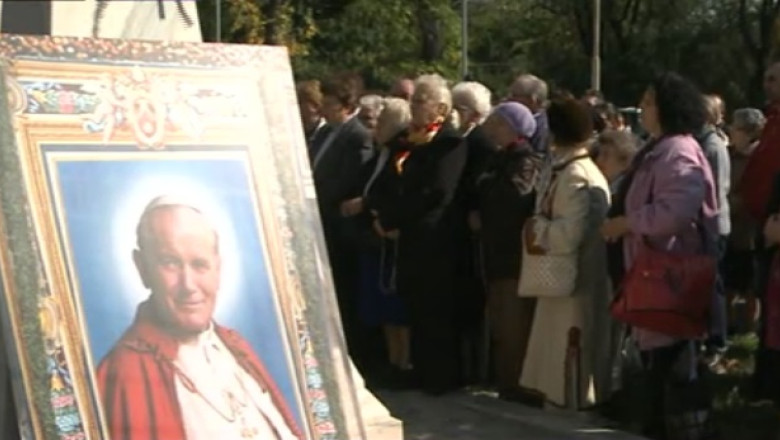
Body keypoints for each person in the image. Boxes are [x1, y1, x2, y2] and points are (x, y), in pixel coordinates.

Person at [96, 196, 302, 440]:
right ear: (142, 268)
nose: (189, 285)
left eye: (200, 264)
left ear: (218, 268)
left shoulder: (235, 347)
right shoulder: (125, 370)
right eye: (170, 263)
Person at [601, 72, 718, 439]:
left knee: (671, 370)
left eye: (650, 101)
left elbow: (675, 212)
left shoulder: (678, 151)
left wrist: (626, 224)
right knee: (657, 367)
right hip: (652, 278)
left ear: (668, 107)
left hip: (669, 279)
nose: (643, 107)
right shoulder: (659, 147)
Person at [374, 74, 468, 395]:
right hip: (408, 238)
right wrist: (384, 216)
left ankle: (439, 376)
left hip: (434, 239)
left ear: (440, 108)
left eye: (420, 101)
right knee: (415, 307)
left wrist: (398, 217)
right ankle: (419, 368)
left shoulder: (450, 143)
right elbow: (389, 182)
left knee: (436, 310)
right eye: (413, 101)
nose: (413, 107)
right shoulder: (408, 141)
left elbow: (436, 192)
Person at [520, 98, 612, 409]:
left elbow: (568, 235)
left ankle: (571, 408)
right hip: (560, 279)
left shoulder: (577, 175)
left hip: (576, 281)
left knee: (568, 352)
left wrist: (536, 228)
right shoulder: (565, 168)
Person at [476, 102, 543, 400]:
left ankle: (518, 383)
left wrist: (487, 192)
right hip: (495, 252)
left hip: (512, 256)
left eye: (497, 121)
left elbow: (515, 198)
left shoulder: (524, 160)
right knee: (501, 321)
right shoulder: (499, 158)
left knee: (514, 322)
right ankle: (505, 380)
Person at [312, 72, 374, 368]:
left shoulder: (357, 136)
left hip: (341, 227)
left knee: (345, 292)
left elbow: (351, 179)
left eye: (330, 102)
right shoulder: (324, 133)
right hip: (319, 224)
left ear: (346, 104)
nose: (324, 107)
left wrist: (315, 196)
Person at [724, 109, 765, 334]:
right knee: (727, 283)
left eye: (736, 127)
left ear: (750, 132)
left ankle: (748, 329)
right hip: (729, 230)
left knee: (751, 286)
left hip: (749, 232)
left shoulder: (760, 158)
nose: (731, 130)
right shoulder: (727, 155)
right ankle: (728, 326)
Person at [508, 74, 550, 154]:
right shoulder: (514, 119)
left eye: (514, 95)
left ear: (532, 100)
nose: (509, 99)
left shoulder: (541, 131)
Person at [295, 80, 330, 157]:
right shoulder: (295, 132)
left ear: (315, 105)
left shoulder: (329, 135)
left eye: (300, 102)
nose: (296, 107)